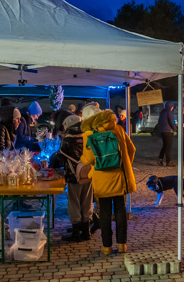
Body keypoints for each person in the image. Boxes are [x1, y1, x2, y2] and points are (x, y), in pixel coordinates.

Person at [79, 109, 136, 255]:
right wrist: (125, 164)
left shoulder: (89, 134)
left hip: (102, 178)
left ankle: (106, 247)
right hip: (119, 177)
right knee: (120, 209)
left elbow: (88, 159)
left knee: (104, 211)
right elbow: (132, 149)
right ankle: (122, 245)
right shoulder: (118, 129)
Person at [50, 115, 93, 242]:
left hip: (74, 176)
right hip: (88, 174)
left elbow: (60, 156)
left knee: (74, 202)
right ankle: (86, 231)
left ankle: (76, 232)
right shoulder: (87, 135)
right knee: (87, 202)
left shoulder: (68, 139)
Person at [157, 101, 177, 166]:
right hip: (168, 131)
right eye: (173, 106)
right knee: (168, 147)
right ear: (171, 106)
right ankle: (168, 162)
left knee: (165, 145)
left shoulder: (162, 111)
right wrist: (175, 129)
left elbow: (159, 121)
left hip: (163, 131)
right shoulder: (169, 112)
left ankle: (160, 159)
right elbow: (171, 121)